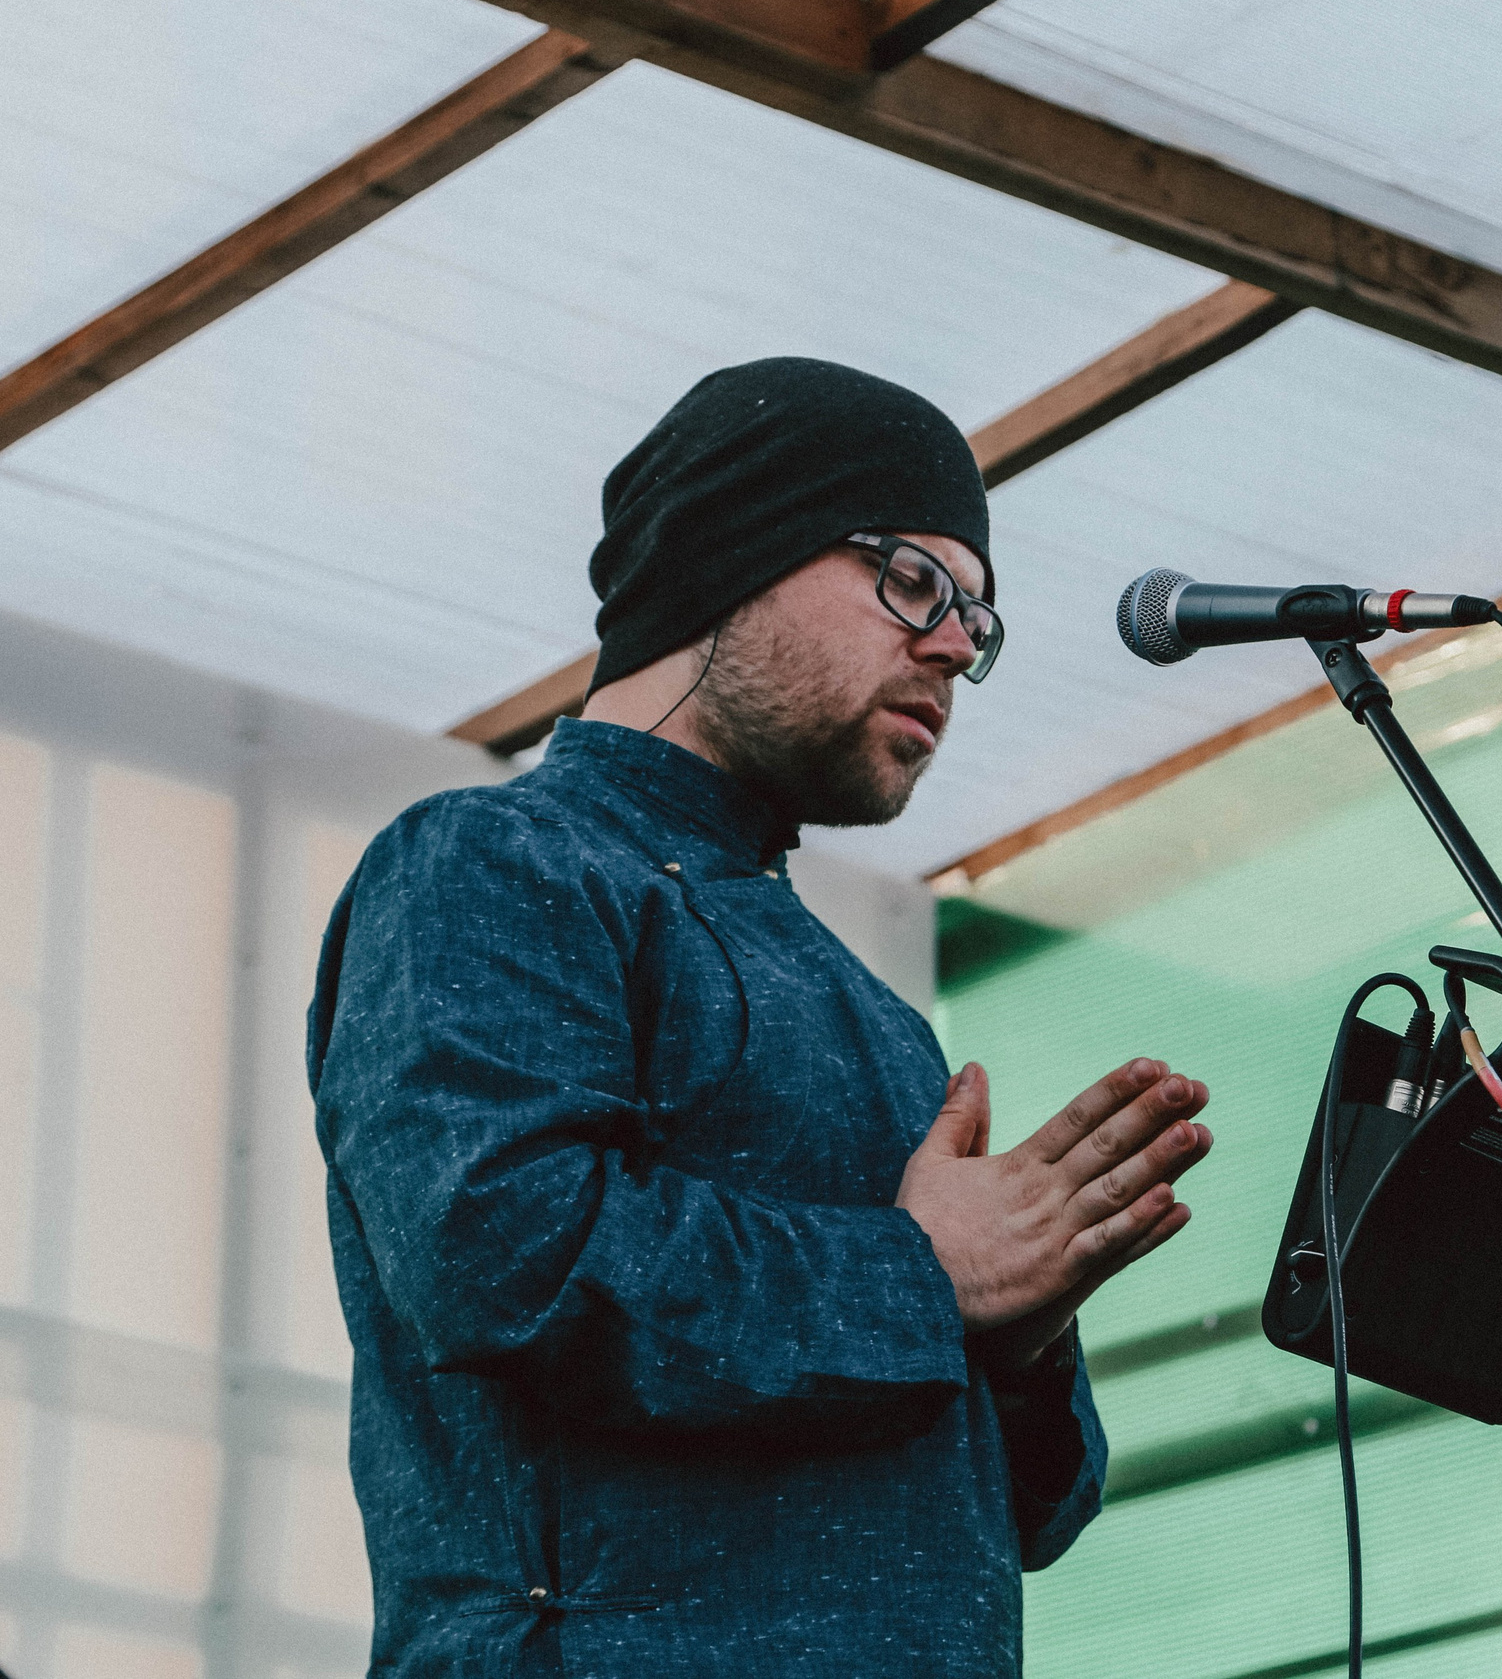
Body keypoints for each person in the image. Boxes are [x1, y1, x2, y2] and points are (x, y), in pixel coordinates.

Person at [308, 358, 1212, 1677]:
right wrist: (925, 1274)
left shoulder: (879, 1016)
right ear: (731, 549)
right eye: (916, 579)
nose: (957, 643)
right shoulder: (490, 862)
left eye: (980, 617)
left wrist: (1017, 1335)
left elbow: (1028, 1513)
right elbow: (498, 1253)